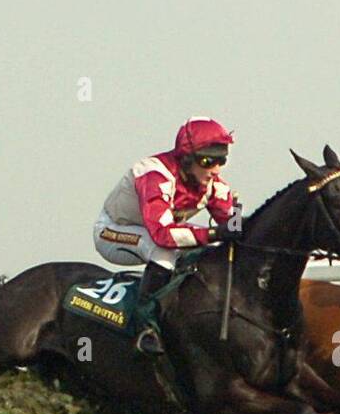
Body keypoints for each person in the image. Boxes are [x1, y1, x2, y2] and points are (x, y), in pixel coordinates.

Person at [94, 117, 240, 354]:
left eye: (221, 160)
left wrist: (239, 223)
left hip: (155, 234)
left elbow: (232, 226)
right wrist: (215, 232)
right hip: (112, 232)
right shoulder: (154, 175)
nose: (215, 169)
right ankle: (146, 327)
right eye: (207, 161)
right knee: (163, 248)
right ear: (186, 159)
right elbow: (163, 234)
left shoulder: (213, 183)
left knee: (205, 251)